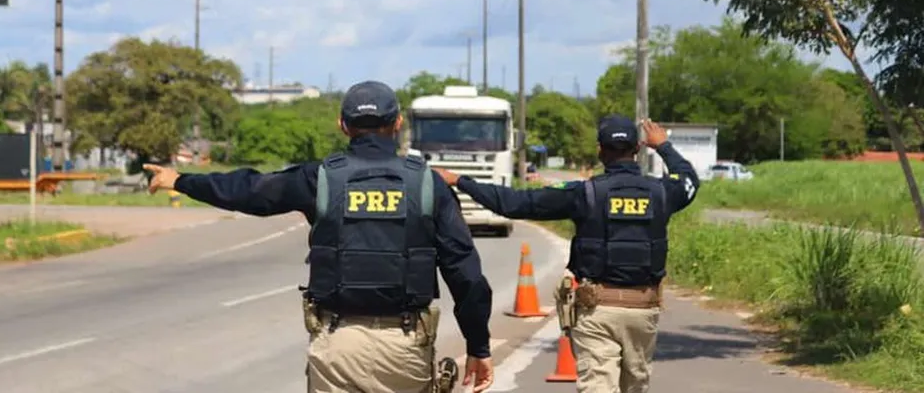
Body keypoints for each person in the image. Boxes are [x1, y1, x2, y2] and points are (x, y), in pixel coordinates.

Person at [144, 80, 496, 393]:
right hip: (404, 347)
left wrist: (180, 180)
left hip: (336, 345)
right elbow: (466, 276)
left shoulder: (321, 179)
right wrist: (478, 347)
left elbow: (250, 191)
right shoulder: (428, 185)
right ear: (398, 123)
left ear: (343, 126)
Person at [434, 115, 700, 393]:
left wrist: (460, 181)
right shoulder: (662, 192)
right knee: (636, 386)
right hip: (643, 311)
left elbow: (514, 203)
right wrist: (664, 146)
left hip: (597, 310)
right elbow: (689, 180)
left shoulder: (585, 193)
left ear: (600, 150)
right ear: (637, 149)